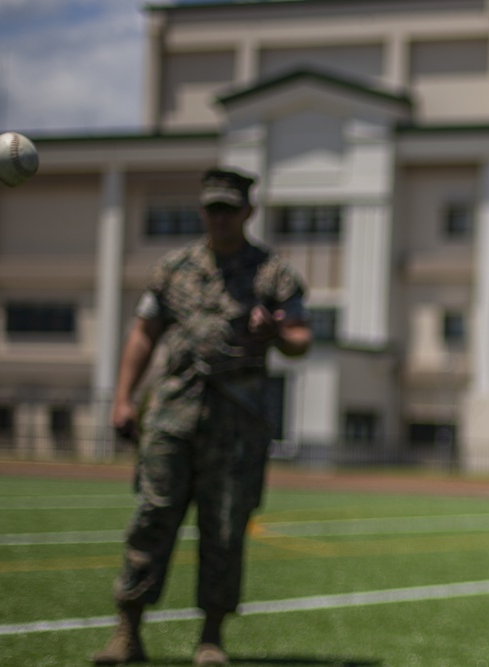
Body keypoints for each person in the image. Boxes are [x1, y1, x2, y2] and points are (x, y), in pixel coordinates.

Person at [93, 168, 312, 666]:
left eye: (228, 209)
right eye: (212, 208)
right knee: (152, 517)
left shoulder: (272, 273)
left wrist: (275, 331)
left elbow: (301, 339)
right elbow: (144, 334)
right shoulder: (174, 268)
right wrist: (123, 398)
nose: (219, 218)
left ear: (247, 213)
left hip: (238, 423)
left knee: (225, 528)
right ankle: (127, 632)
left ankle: (211, 638)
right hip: (173, 415)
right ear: (201, 211)